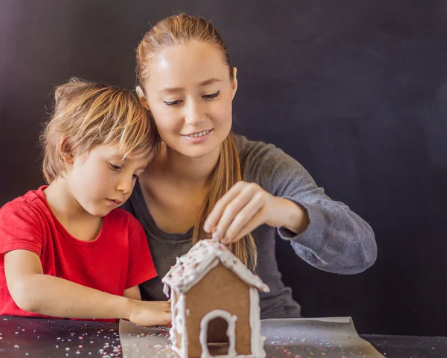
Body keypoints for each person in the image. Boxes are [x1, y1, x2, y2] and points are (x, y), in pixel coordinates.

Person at [123, 14, 377, 318]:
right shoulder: (124, 176)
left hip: (270, 337)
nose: (194, 116)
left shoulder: (261, 164)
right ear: (145, 101)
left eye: (211, 94)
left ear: (232, 84)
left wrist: (283, 210)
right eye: (173, 102)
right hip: (169, 349)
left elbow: (361, 254)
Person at [0, 78, 171, 326]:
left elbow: (130, 322)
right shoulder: (21, 216)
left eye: (135, 175)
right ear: (70, 149)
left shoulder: (128, 230)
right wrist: (130, 308)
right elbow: (27, 290)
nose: (126, 187)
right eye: (116, 166)